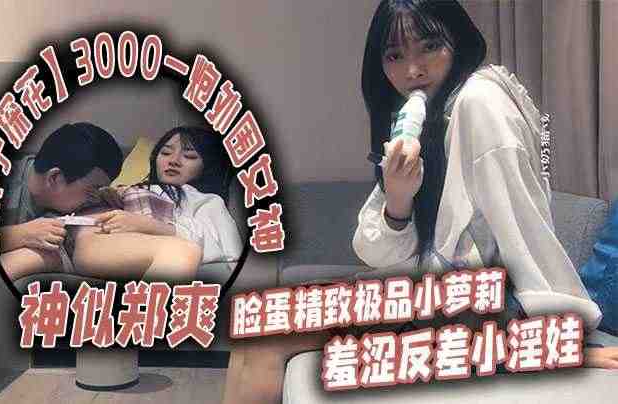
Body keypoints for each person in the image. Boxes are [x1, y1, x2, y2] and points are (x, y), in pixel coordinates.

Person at [222, 1, 616, 403]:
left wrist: (561, 338)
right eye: (394, 55)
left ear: (458, 41)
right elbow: (374, 251)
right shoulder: (424, 118)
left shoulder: (480, 102)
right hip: (439, 295)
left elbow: (526, 225)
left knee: (265, 341)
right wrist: (398, 199)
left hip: (482, 308)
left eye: (429, 47)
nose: (413, 70)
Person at [0, 125, 242, 283]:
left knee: (183, 252)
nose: (174, 161)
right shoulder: (128, 186)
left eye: (189, 156)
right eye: (165, 152)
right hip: (66, 232)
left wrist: (147, 225)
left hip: (95, 240)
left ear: (208, 166)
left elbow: (229, 250)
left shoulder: (205, 200)